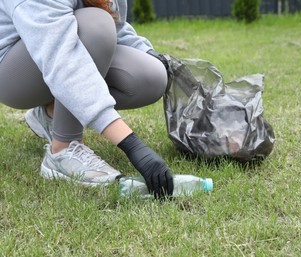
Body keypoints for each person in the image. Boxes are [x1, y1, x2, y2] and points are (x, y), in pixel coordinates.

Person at [0, 0, 174, 197]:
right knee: (96, 25)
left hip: (60, 51)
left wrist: (147, 51)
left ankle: (52, 112)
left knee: (151, 76)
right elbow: (63, 60)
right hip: (14, 70)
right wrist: (130, 143)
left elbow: (115, 24)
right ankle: (63, 149)